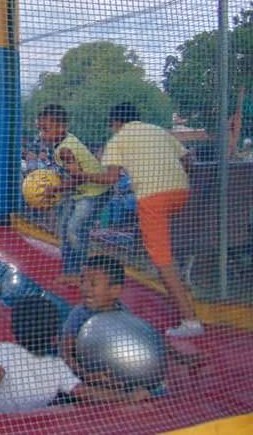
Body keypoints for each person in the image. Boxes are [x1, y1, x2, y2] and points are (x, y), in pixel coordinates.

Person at [66, 102, 203, 337]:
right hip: (181, 193)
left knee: (162, 261)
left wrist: (80, 175)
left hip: (152, 199)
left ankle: (190, 321)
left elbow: (111, 178)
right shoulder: (158, 130)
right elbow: (187, 161)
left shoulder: (118, 139)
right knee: (161, 241)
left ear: (115, 123)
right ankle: (178, 267)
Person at [0, 295, 150, 414]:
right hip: (29, 421)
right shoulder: (57, 367)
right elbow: (86, 392)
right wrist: (127, 397)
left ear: (14, 330)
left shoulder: (5, 350)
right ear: (54, 338)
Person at [37, 105, 111, 281]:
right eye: (40, 129)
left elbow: (79, 179)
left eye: (46, 129)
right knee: (64, 229)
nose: (41, 134)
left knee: (74, 229)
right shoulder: (62, 143)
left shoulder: (65, 149)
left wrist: (55, 189)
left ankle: (83, 271)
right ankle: (70, 272)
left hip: (94, 192)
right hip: (80, 193)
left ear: (61, 127)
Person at [60, 256, 130, 387]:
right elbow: (65, 353)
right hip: (82, 374)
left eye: (93, 284)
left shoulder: (123, 313)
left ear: (114, 290)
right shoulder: (79, 314)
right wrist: (86, 376)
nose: (85, 288)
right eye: (82, 282)